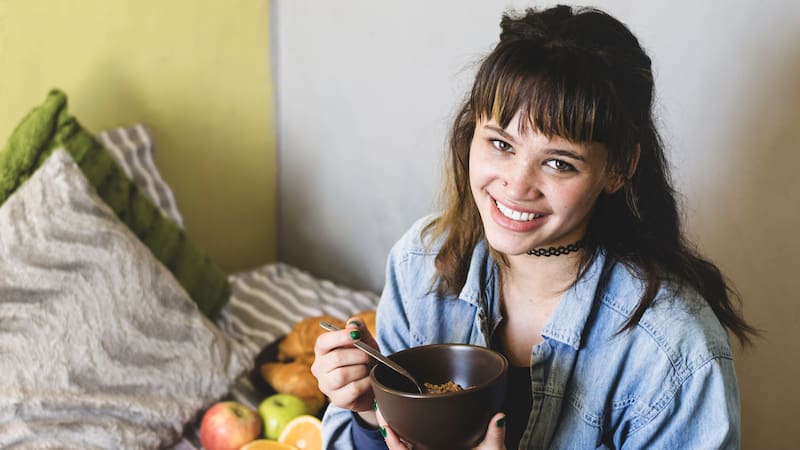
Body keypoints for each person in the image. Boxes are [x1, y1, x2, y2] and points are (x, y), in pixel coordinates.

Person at [311, 4, 757, 449]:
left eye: (559, 163)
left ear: (618, 169)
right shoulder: (420, 264)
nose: (516, 185)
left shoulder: (673, 351)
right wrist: (373, 414)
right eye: (501, 143)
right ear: (472, 134)